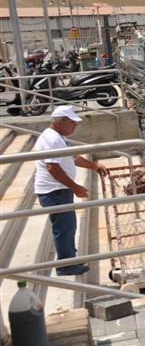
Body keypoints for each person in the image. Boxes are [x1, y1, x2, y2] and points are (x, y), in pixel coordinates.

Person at [33, 106, 108, 275]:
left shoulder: (58, 137)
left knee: (68, 226)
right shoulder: (53, 139)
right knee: (64, 227)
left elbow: (72, 157)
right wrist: (75, 187)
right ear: (61, 122)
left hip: (58, 190)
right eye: (73, 123)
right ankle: (65, 266)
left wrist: (94, 166)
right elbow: (52, 167)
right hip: (54, 191)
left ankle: (69, 258)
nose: (75, 127)